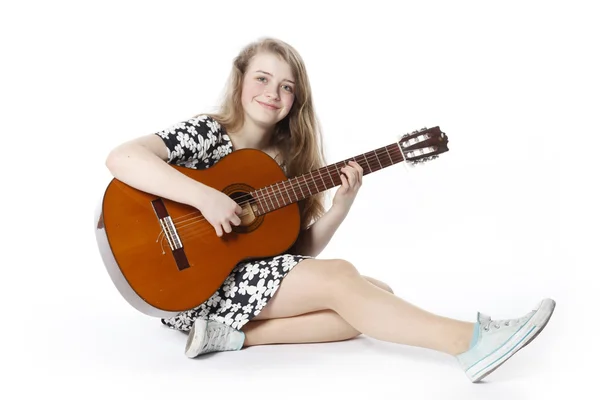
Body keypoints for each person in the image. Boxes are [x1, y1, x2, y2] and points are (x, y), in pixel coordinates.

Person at [104, 37, 556, 383]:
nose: (272, 93)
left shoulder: (285, 164)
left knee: (373, 292)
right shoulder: (207, 133)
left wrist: (341, 206)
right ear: (240, 79)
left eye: (286, 86)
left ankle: (230, 336)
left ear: (295, 100)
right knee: (345, 282)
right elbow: (122, 157)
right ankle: (471, 343)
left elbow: (292, 253)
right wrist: (206, 196)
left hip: (231, 284)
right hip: (186, 287)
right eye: (262, 78)